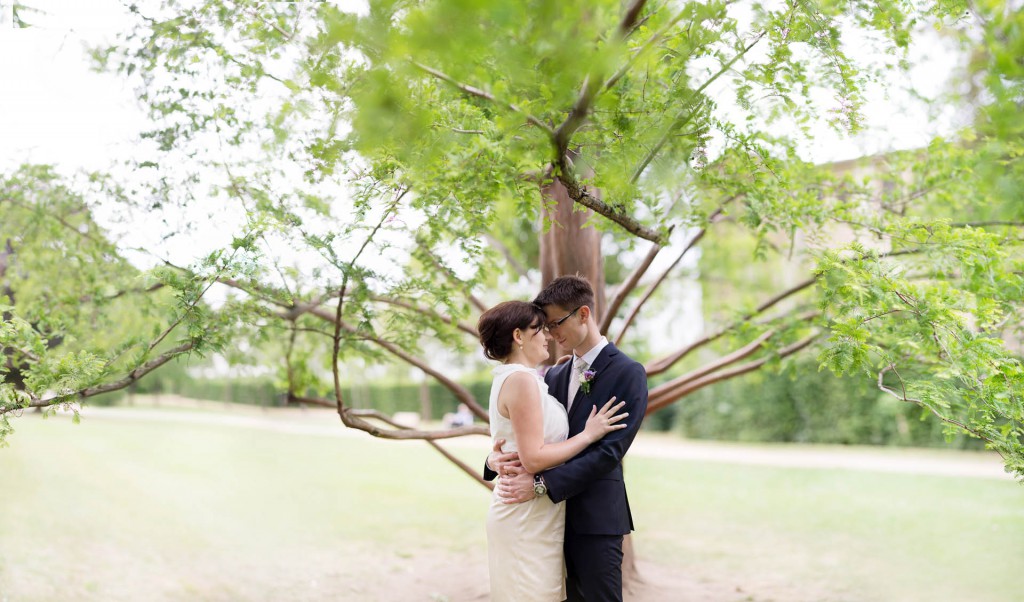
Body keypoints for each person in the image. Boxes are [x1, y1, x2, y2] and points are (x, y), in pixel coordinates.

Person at [486, 275, 649, 602]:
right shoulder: (554, 374)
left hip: (594, 520)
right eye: (543, 326)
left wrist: (539, 484)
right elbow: (531, 434)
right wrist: (493, 461)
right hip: (545, 522)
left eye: (555, 322)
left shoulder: (628, 373)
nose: (549, 333)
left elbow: (608, 453)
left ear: (583, 315)